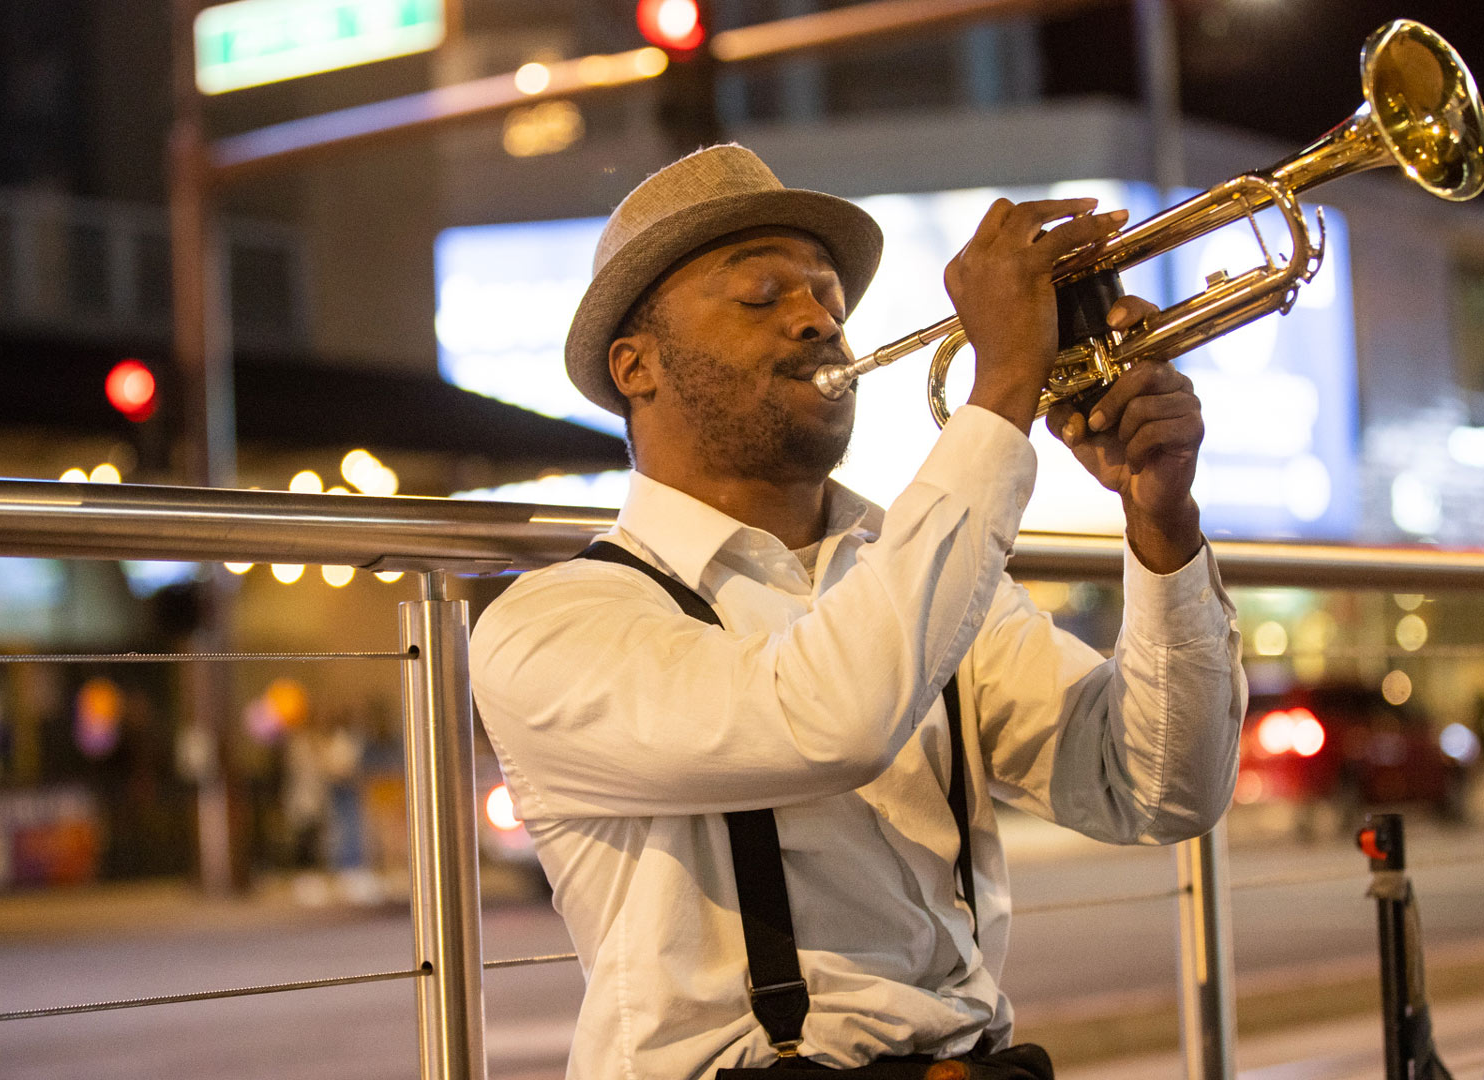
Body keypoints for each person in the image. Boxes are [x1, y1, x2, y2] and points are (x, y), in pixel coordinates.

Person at [470, 145, 1245, 1080]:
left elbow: (1159, 789)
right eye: (763, 297)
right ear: (637, 368)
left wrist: (1163, 526)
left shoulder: (912, 570)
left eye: (830, 302)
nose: (816, 322)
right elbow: (824, 719)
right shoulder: (551, 623)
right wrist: (1000, 390)